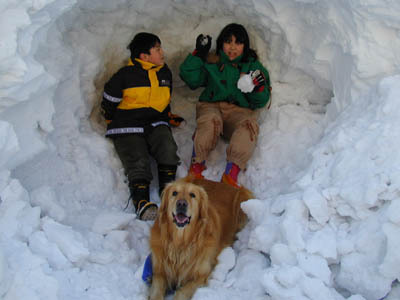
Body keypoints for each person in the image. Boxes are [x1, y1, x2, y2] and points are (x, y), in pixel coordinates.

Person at [179, 23, 271, 188]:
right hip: (211, 105)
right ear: (221, 43)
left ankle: (231, 174)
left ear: (245, 45)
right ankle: (196, 166)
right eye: (228, 42)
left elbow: (261, 100)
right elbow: (191, 78)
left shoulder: (252, 67)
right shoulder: (213, 62)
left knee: (248, 126)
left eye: (238, 43)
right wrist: (199, 54)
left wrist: (256, 87)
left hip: (240, 111)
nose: (233, 47)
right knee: (210, 120)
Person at [101, 32, 181, 221]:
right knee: (137, 158)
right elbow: (109, 100)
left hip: (155, 122)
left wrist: (167, 115)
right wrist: (111, 119)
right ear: (144, 56)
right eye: (157, 49)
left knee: (168, 147)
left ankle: (168, 192)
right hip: (128, 125)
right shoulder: (125, 76)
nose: (162, 52)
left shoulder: (164, 72)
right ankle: (142, 202)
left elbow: (164, 99)